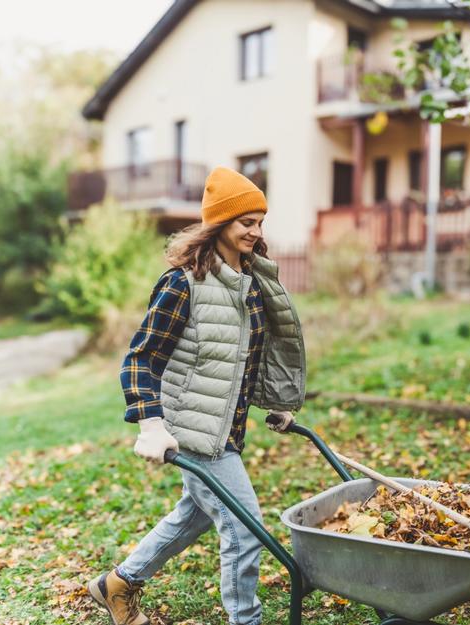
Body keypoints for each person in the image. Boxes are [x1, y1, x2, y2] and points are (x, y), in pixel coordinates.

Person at [87, 167, 306, 625]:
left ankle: (118, 584)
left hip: (225, 426)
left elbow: (247, 355)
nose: (255, 230)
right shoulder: (183, 284)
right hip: (192, 428)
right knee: (246, 530)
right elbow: (140, 360)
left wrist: (278, 402)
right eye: (246, 220)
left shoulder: (248, 283)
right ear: (220, 222)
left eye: (260, 221)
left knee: (198, 514)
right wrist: (152, 425)